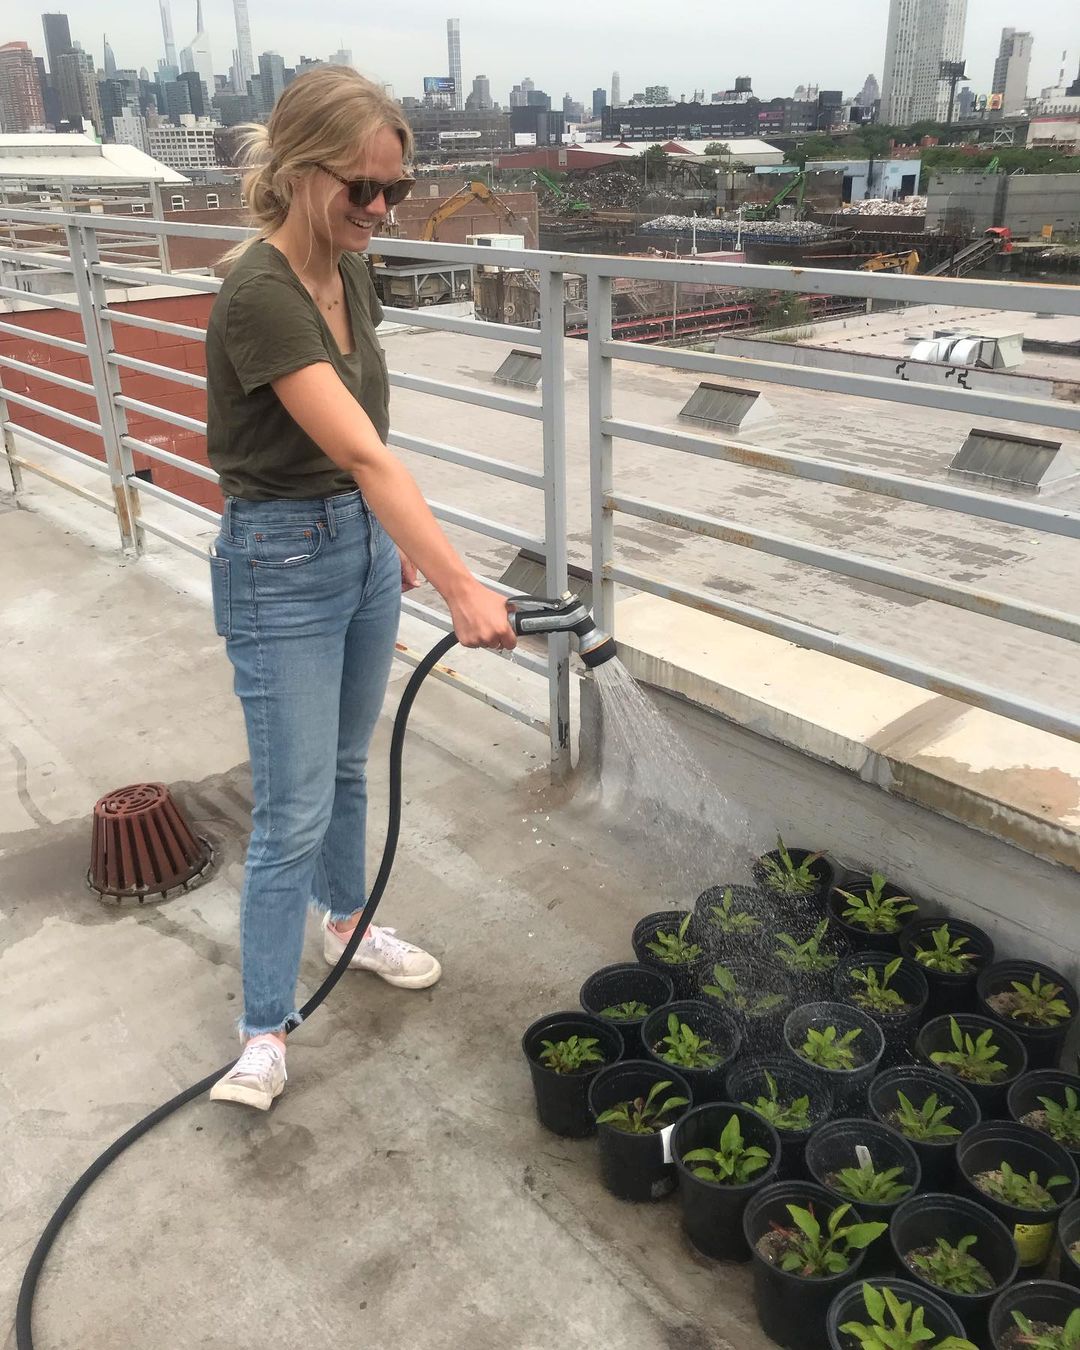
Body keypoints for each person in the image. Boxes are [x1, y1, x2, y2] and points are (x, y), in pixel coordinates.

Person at [203, 67, 515, 1110]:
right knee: (290, 807)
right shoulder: (261, 294)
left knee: (344, 767)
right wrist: (464, 584)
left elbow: (366, 433)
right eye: (362, 187)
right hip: (280, 566)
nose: (382, 208)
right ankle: (262, 1030)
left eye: (397, 188)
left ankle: (346, 922)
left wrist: (393, 538)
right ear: (300, 172)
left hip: (359, 548)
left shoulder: (350, 268)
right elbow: (365, 453)